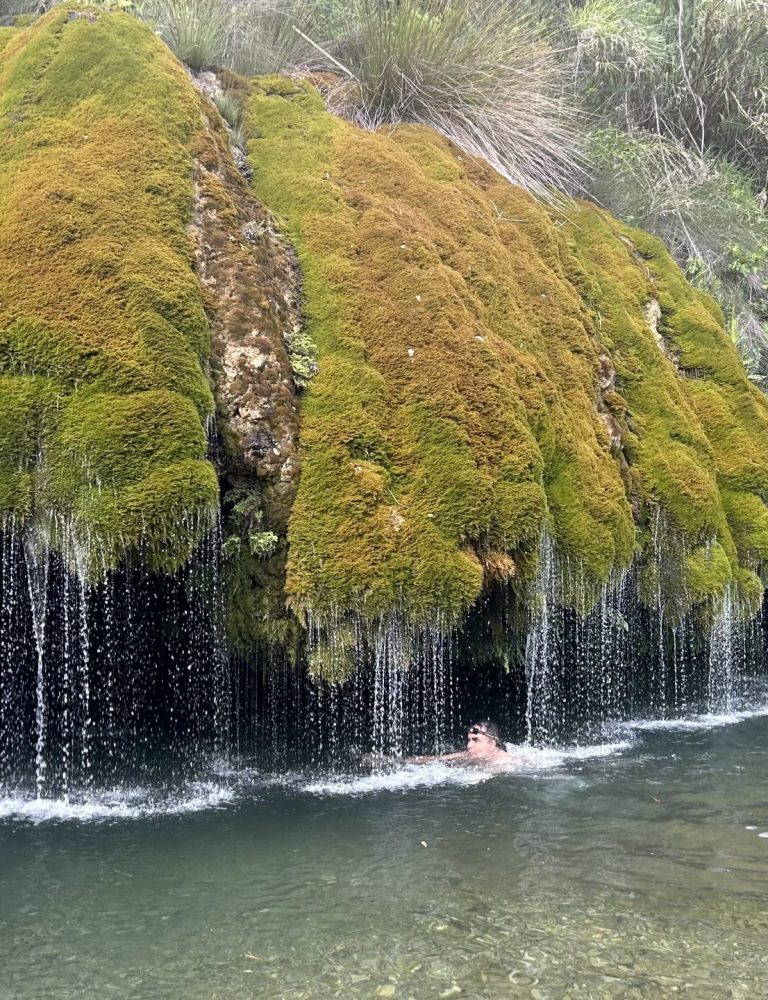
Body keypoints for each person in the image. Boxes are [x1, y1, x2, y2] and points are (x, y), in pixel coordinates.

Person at [406, 720, 526, 767]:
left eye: (475, 741)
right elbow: (438, 759)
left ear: (492, 744)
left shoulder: (504, 762)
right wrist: (405, 761)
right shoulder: (469, 754)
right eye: (469, 740)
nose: (469, 746)